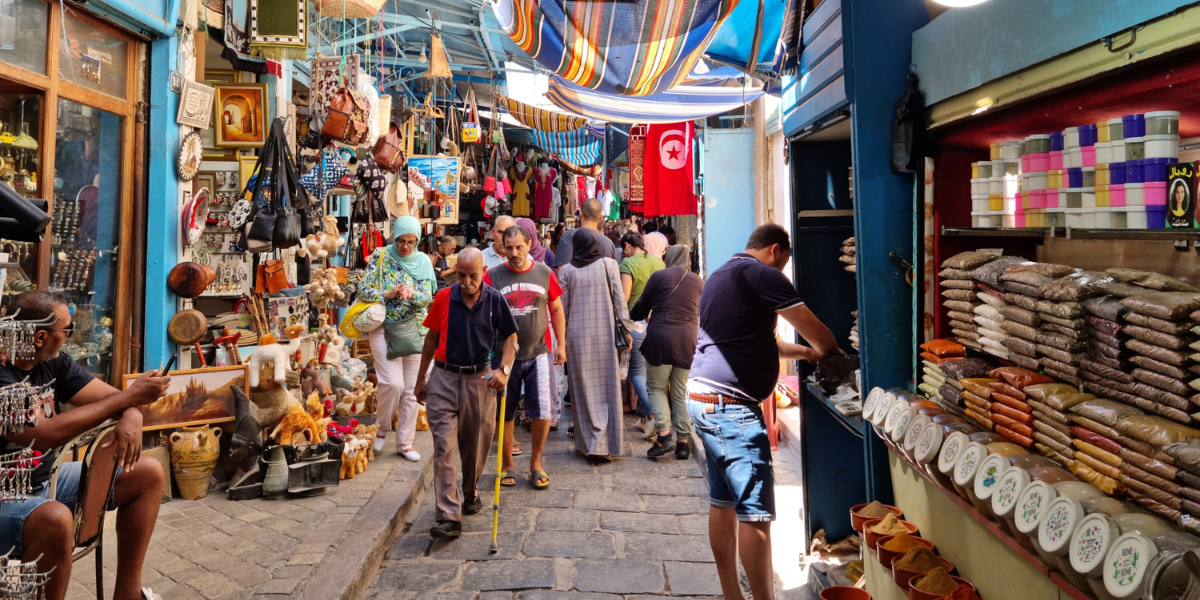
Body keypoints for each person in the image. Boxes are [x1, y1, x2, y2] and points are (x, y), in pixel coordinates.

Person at [688, 224, 841, 600]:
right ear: (775, 250)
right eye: (784, 263)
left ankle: (732, 595)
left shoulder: (719, 275)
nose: (782, 271)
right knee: (754, 511)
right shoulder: (763, 275)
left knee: (723, 501)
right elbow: (818, 333)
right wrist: (832, 352)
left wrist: (802, 353)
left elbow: (758, 340)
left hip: (703, 398)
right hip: (731, 407)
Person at [0, 291, 171, 600]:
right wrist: (130, 398)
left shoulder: (53, 362)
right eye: (67, 329)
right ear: (39, 337)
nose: (70, 335)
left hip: (43, 483)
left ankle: (128, 594)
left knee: (148, 473)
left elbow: (112, 397)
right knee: (54, 518)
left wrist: (132, 411)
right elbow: (46, 433)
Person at [414, 248, 518, 539]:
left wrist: (503, 370)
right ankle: (449, 516)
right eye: (461, 275)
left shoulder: (495, 300)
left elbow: (511, 338)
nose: (467, 281)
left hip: (479, 380)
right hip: (444, 378)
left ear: (484, 272)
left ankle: (471, 491)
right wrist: (421, 378)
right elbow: (431, 338)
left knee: (475, 446)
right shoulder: (445, 297)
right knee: (444, 448)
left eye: (473, 275)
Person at [484, 226, 566, 489]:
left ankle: (536, 463)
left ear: (529, 244)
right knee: (504, 412)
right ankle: (507, 463)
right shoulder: (492, 275)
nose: (514, 253)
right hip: (503, 357)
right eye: (508, 248)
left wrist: (561, 344)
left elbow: (556, 308)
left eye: (519, 247)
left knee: (543, 410)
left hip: (538, 352)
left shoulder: (544, 272)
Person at [359, 216, 436, 460]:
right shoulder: (381, 255)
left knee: (413, 388)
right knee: (393, 383)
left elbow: (427, 298)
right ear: (395, 236)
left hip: (414, 329)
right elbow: (363, 289)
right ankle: (381, 429)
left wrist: (411, 294)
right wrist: (389, 293)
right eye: (401, 241)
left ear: (418, 241)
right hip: (383, 326)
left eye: (411, 242)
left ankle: (405, 444)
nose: (405, 246)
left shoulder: (423, 261)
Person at [558, 230, 632, 459]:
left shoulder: (567, 270)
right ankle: (606, 446)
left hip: (577, 338)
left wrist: (561, 339)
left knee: (582, 390)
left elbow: (563, 309)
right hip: (605, 335)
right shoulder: (609, 265)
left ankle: (586, 445)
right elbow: (619, 301)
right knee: (607, 390)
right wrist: (626, 329)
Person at [630, 245, 702, 459]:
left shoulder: (659, 276)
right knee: (680, 392)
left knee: (657, 388)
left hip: (660, 339)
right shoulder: (697, 281)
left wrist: (633, 316)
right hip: (688, 340)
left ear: (668, 258)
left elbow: (641, 306)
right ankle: (683, 444)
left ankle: (664, 436)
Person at [619, 231, 664, 436]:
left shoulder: (627, 265)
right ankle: (646, 420)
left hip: (636, 324)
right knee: (651, 374)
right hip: (656, 322)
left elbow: (624, 297)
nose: (623, 253)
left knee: (637, 372)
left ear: (628, 246)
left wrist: (622, 324)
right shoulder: (658, 262)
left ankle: (653, 414)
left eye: (624, 249)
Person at [555, 199, 619, 268]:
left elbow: (561, 270)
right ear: (600, 218)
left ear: (580, 214)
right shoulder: (609, 243)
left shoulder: (569, 236)